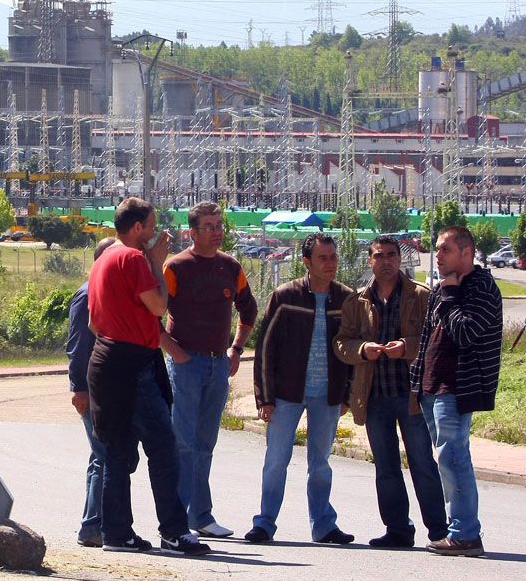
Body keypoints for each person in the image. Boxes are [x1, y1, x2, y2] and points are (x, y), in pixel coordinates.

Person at [86, 198, 210, 556]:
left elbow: (95, 323)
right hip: (133, 364)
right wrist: (157, 264)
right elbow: (159, 305)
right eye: (152, 226)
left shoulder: (104, 259)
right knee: (163, 447)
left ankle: (117, 533)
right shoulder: (132, 257)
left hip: (106, 360)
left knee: (116, 452)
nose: (156, 233)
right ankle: (173, 531)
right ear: (137, 228)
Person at [334, 235, 447, 548]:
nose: (385, 262)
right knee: (386, 468)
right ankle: (397, 530)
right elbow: (341, 343)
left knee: (423, 464)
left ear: (400, 259)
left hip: (412, 396)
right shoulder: (356, 301)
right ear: (370, 260)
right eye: (378, 256)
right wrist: (363, 348)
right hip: (373, 396)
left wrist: (407, 348)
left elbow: (437, 341)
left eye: (391, 255)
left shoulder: (422, 296)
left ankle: (439, 531)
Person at [245, 233, 355, 545]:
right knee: (276, 460)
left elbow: (352, 351)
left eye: (333, 257)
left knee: (320, 464)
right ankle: (265, 523)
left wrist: (346, 395)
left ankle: (323, 526)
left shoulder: (346, 298)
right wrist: (264, 397)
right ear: (306, 262)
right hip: (285, 395)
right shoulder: (286, 296)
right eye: (323, 258)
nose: (330, 263)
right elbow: (266, 348)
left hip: (328, 396)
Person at [161, 202, 258, 539]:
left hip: (219, 365)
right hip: (186, 365)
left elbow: (249, 310)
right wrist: (174, 351)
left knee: (205, 444)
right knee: (183, 444)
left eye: (219, 225)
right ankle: (177, 520)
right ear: (192, 232)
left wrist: (236, 350)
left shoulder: (230, 266)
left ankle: (201, 517)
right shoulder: (175, 267)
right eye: (208, 226)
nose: (216, 232)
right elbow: (151, 314)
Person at [410, 225, 502, 557]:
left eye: (445, 250)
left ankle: (465, 534)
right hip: (431, 386)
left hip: (458, 388)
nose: (438, 255)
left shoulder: (481, 286)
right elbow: (427, 339)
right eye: (437, 249)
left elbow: (466, 333)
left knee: (453, 457)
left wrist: (449, 295)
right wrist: (416, 382)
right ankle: (459, 530)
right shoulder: (442, 288)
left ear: (466, 252)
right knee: (445, 459)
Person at [66, 236, 118, 548]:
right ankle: (93, 526)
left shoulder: (107, 294)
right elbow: (77, 346)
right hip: (92, 389)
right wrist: (79, 389)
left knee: (100, 456)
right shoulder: (86, 296)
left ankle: (92, 523)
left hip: (106, 387)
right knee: (106, 456)